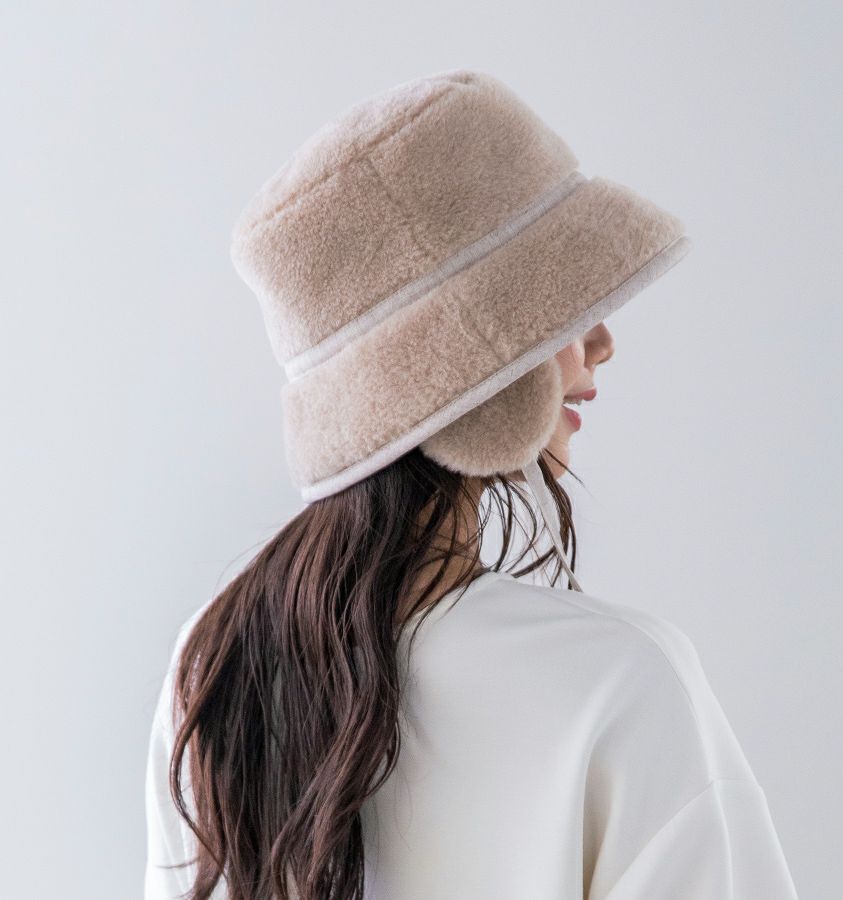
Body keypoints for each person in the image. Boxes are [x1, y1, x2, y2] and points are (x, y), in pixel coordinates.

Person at [144, 69, 798, 899]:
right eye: (560, 306)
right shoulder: (619, 681)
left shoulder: (216, 663)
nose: (601, 342)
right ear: (480, 369)